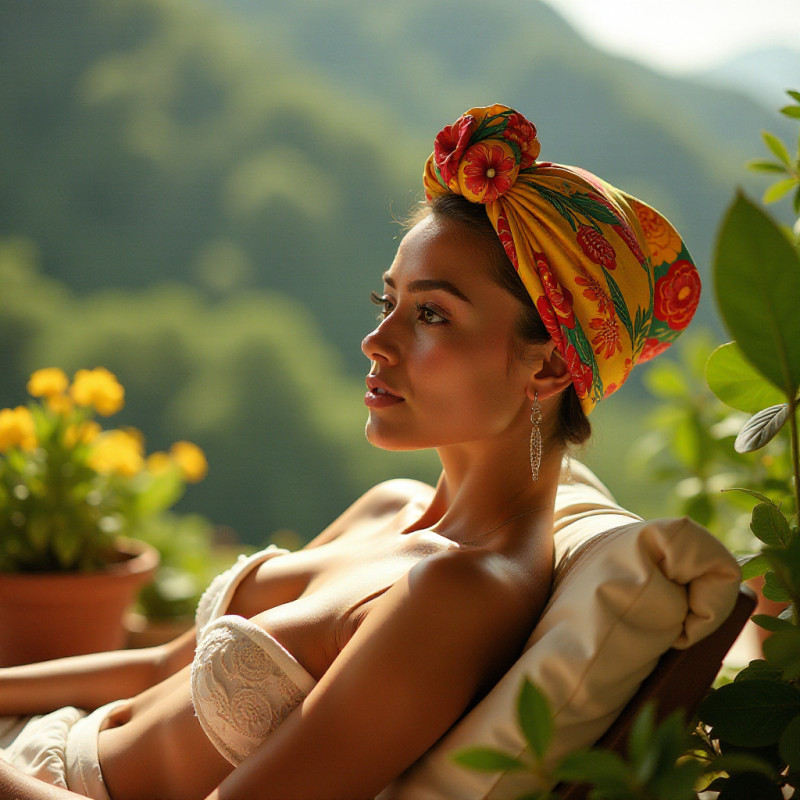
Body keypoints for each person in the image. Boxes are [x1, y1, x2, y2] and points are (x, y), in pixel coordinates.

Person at [0, 104, 700, 800]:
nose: (376, 340)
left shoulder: (461, 596)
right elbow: (158, 666)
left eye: (432, 314)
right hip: (40, 743)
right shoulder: (390, 506)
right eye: (385, 300)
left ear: (546, 370)